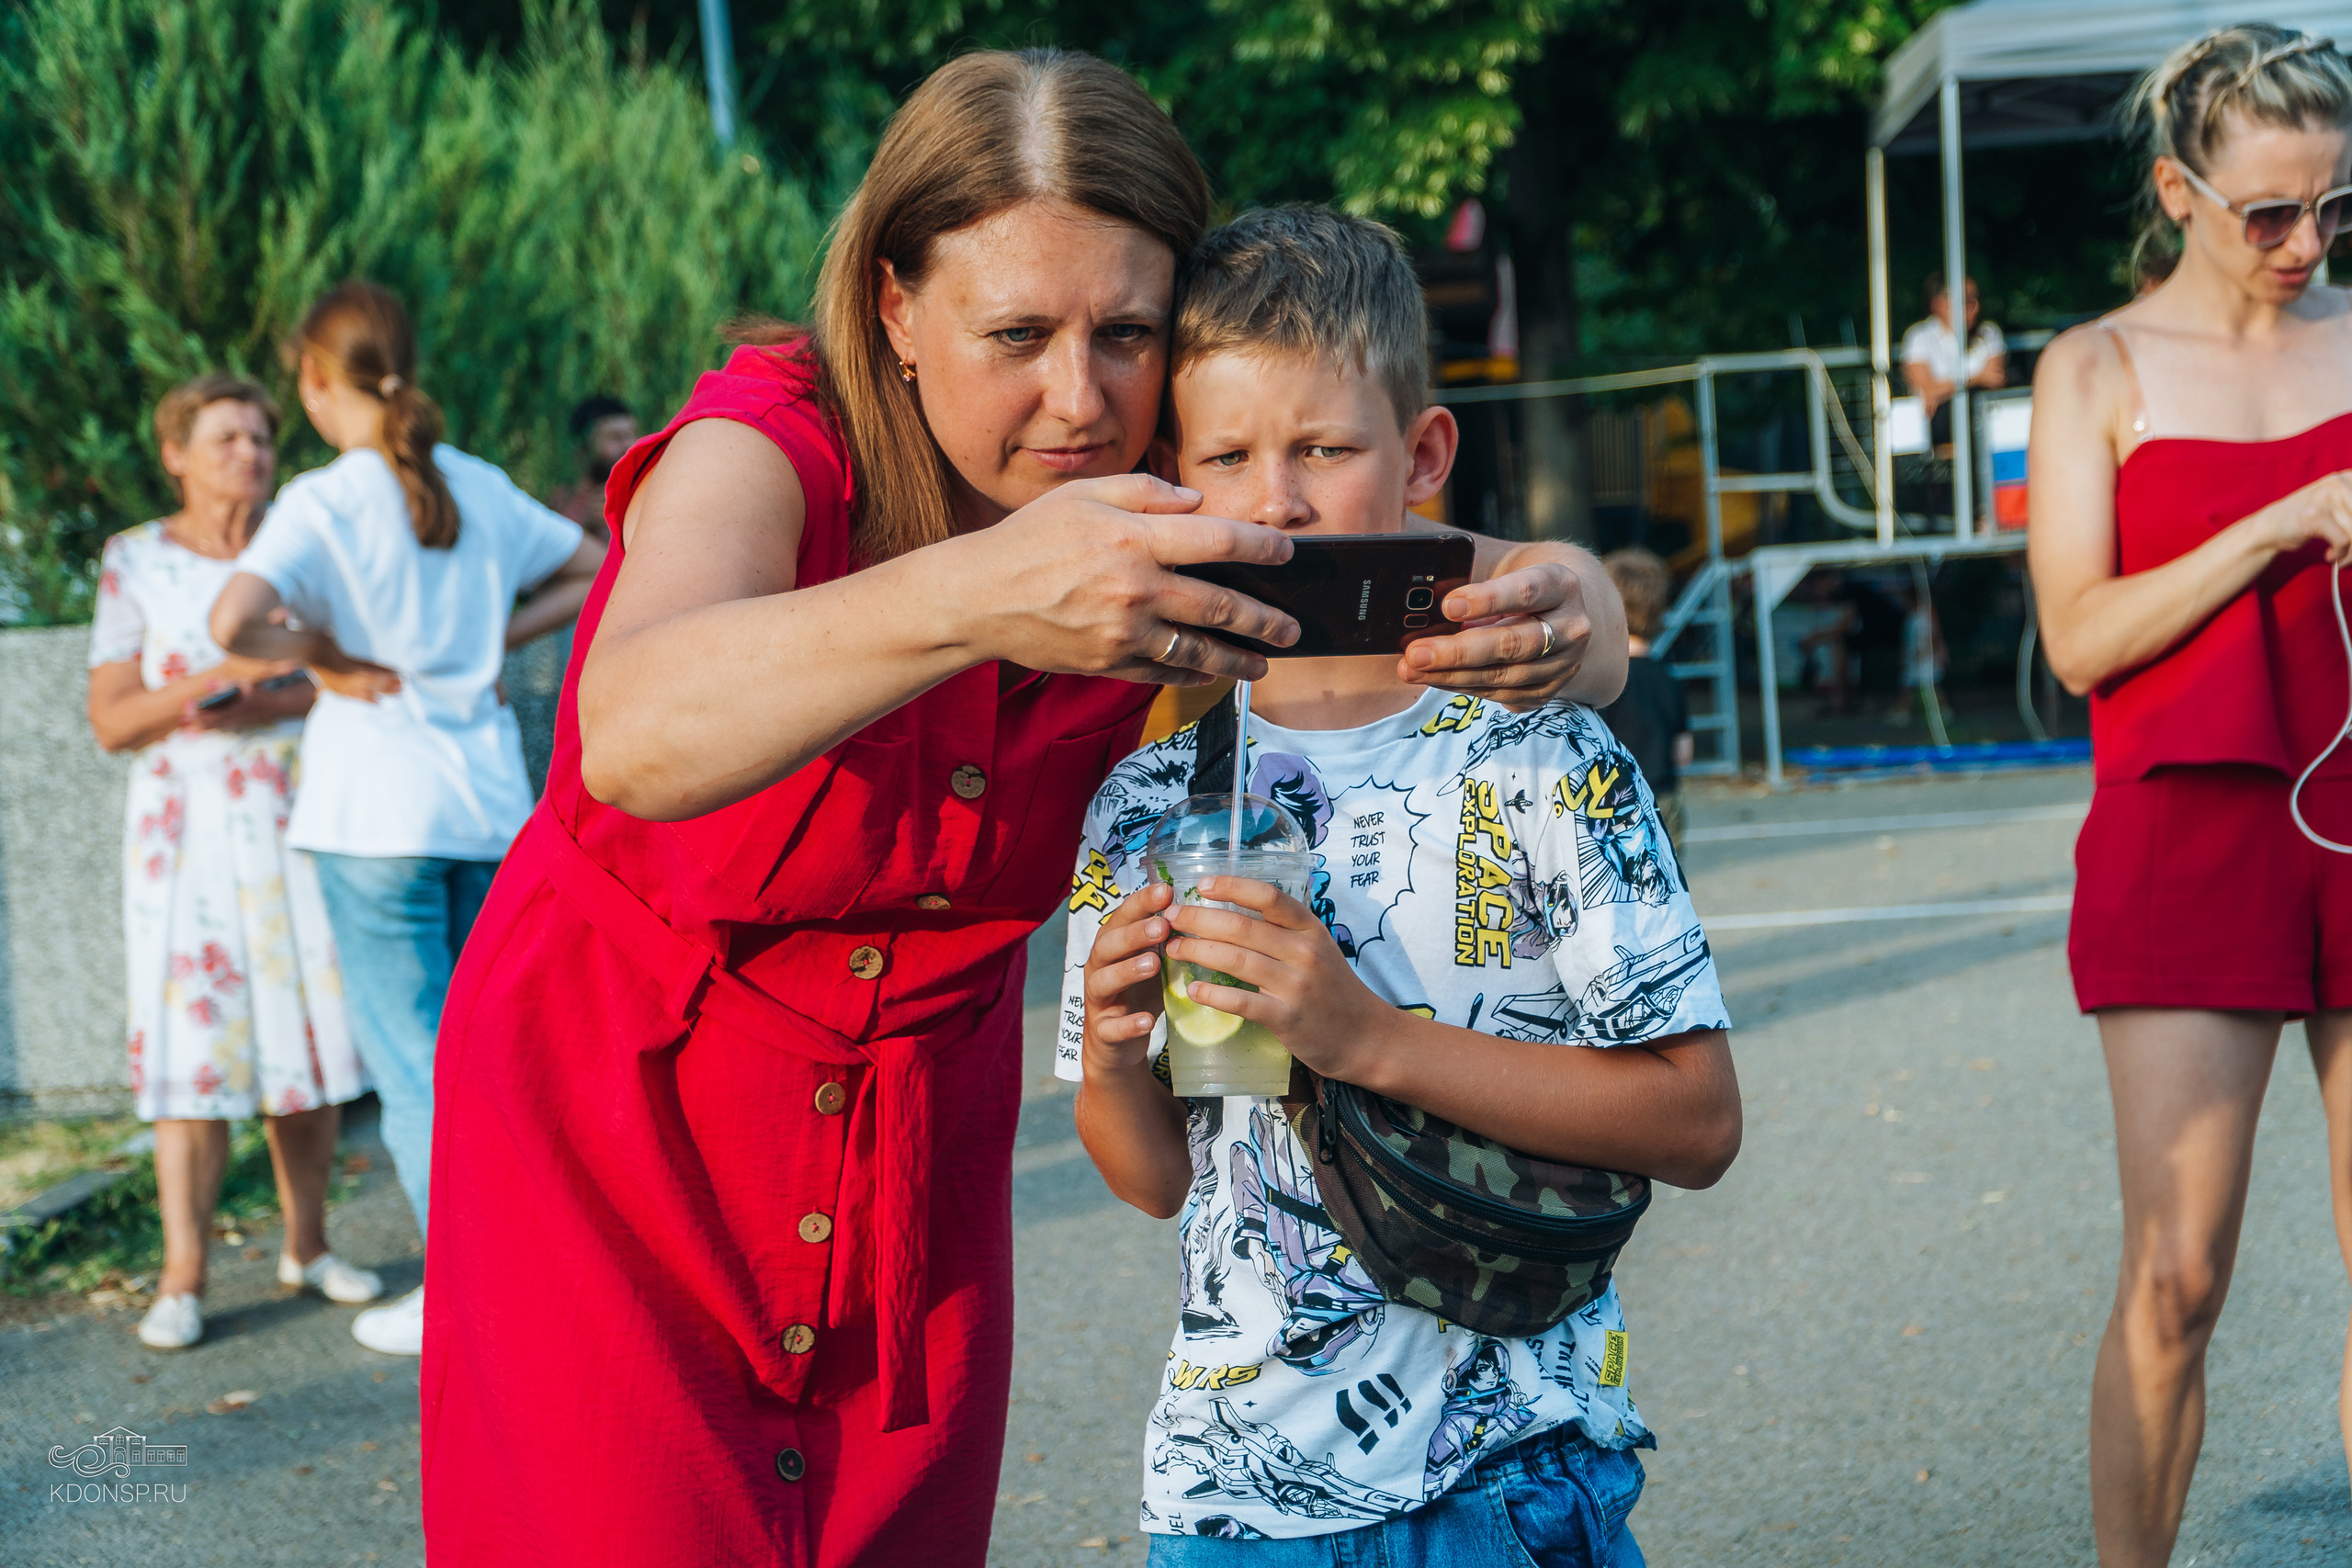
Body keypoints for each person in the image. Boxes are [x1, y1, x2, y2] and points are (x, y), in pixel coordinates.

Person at [417, 50, 1629, 1568]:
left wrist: (1570, 604)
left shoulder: (1188, 510)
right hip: (616, 1141)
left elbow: (1487, 574)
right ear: (894, 313)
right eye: (1017, 333)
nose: (1078, 396)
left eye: (1127, 332)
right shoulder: (769, 442)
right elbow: (634, 734)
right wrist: (987, 589)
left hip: (915, 1148)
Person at [1064, 206, 1738, 1562]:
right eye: (1228, 456)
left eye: (1324, 447)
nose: (1277, 501)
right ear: (1170, 479)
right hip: (1231, 1500)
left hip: (1509, 1473)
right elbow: (1148, 1176)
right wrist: (1113, 1051)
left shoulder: (1547, 746)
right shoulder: (1151, 796)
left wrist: (1360, 1037)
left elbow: (1698, 1117)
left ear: (1423, 455)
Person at [2026, 25, 2352, 1567]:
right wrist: (2284, 521)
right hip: (2187, 826)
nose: (2305, 243)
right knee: (2178, 1276)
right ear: (2179, 190)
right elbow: (2082, 638)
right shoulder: (2093, 365)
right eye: (2269, 211)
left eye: (2334, 208)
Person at [209, 281, 605, 1358]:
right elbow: (599, 560)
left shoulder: (325, 499)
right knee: (488, 1055)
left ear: (314, 379)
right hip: (481, 810)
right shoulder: (472, 482)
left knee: (416, 1065)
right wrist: (487, 642)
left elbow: (233, 621)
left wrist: (326, 656)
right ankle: (524, 1275)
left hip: (368, 813)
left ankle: (466, 1293)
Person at [86, 373, 382, 1352]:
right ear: (176, 454)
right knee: (193, 1058)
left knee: (304, 1041)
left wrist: (273, 700)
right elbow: (111, 720)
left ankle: (309, 1244)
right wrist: (219, 677)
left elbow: (354, 676)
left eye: (259, 438)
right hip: (187, 840)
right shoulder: (134, 561)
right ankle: (183, 1276)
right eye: (224, 440)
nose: (248, 455)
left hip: (299, 814)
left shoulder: (298, 546)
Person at [1599, 547, 1692, 848]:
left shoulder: (1603, 683)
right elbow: (1683, 753)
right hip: (1664, 798)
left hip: (1613, 801)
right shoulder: (1667, 676)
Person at [1902, 272, 2007, 449]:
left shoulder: (1989, 332)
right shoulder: (1919, 337)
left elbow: (1995, 378)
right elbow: (1925, 390)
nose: (1975, 306)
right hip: (1941, 430)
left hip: (1987, 426)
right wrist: (1975, 378)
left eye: (1975, 299)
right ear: (1939, 304)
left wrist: (1944, 388)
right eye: (1966, 300)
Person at [545, 393, 638, 541]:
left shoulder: (645, 497)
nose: (630, 445)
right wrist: (588, 527)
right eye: (616, 437)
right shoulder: (558, 505)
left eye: (632, 435)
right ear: (582, 451)